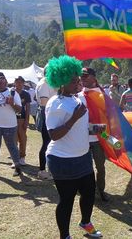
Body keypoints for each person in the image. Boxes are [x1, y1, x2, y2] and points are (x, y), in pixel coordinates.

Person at [45, 55, 102, 239]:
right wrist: (74, 118)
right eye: (72, 80)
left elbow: (82, 128)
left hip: (83, 157)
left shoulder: (79, 99)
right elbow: (53, 134)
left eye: (77, 78)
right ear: (61, 81)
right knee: (66, 200)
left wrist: (95, 128)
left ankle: (86, 222)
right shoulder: (55, 103)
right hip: (62, 161)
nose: (77, 82)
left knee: (89, 193)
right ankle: (65, 235)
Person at [79, 67, 110, 202]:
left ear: (94, 77)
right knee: (84, 168)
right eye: (81, 76)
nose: (83, 78)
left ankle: (100, 190)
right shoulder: (78, 95)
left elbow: (108, 115)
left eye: (85, 76)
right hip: (83, 138)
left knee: (100, 167)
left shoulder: (102, 94)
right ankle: (87, 191)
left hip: (99, 138)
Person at [36, 68, 58, 180]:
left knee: (49, 143)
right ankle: (42, 170)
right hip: (47, 116)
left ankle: (48, 169)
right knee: (46, 143)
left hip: (50, 115)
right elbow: (45, 103)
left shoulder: (48, 83)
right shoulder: (44, 84)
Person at [12, 76, 31, 167]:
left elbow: (28, 107)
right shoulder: (11, 93)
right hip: (11, 119)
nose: (19, 84)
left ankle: (22, 157)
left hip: (22, 119)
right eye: (17, 82)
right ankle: (15, 159)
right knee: (13, 139)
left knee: (23, 139)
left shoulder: (26, 94)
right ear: (14, 83)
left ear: (23, 83)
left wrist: (27, 120)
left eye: (21, 82)